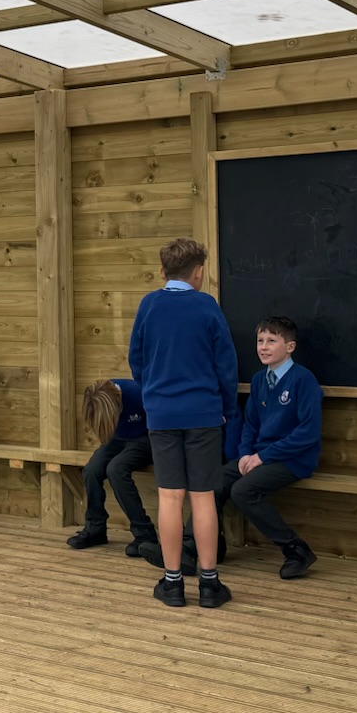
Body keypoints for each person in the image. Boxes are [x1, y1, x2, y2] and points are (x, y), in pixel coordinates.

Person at [127, 237, 239, 609]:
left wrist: (153, 395)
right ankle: (209, 584)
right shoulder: (207, 307)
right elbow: (225, 365)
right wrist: (226, 407)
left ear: (163, 271)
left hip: (162, 413)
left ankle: (172, 583)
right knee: (203, 496)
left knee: (169, 497)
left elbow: (137, 358)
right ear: (200, 272)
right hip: (204, 412)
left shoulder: (149, 305)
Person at [217, 315, 323, 580]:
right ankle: (193, 545)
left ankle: (296, 550)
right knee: (213, 482)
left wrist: (263, 456)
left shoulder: (303, 380)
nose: (263, 347)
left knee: (243, 490)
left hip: (293, 459)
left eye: (271, 341)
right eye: (260, 340)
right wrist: (244, 454)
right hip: (260, 456)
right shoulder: (258, 380)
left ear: (290, 347)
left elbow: (307, 433)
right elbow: (250, 424)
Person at [65, 378, 158, 556]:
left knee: (116, 470)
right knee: (92, 470)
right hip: (118, 439)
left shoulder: (138, 393)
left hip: (145, 438)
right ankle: (95, 528)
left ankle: (145, 534)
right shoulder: (98, 399)